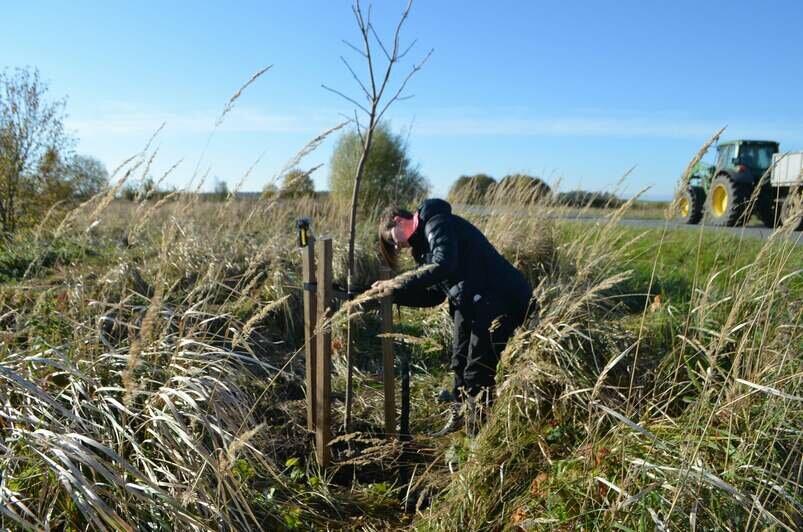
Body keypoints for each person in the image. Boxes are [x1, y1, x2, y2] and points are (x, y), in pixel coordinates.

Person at [372, 198, 532, 435]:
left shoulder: (437, 224)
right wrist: (394, 295)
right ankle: (458, 418)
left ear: (398, 220)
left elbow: (444, 264)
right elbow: (435, 295)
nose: (396, 247)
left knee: (478, 369)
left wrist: (398, 281)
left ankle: (476, 434)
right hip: (469, 302)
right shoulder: (423, 248)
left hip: (498, 299)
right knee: (459, 361)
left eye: (392, 239)